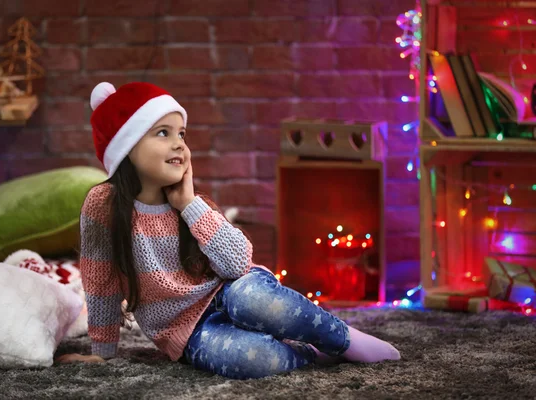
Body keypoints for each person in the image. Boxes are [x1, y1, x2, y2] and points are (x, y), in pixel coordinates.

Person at [55, 82, 400, 379]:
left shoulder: (190, 204)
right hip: (187, 331)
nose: (180, 145)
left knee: (254, 299)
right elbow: (100, 281)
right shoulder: (104, 205)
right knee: (253, 358)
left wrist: (189, 205)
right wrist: (102, 352)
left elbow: (237, 266)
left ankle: (344, 339)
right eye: (163, 133)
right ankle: (312, 353)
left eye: (181, 134)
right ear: (126, 148)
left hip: (229, 291)